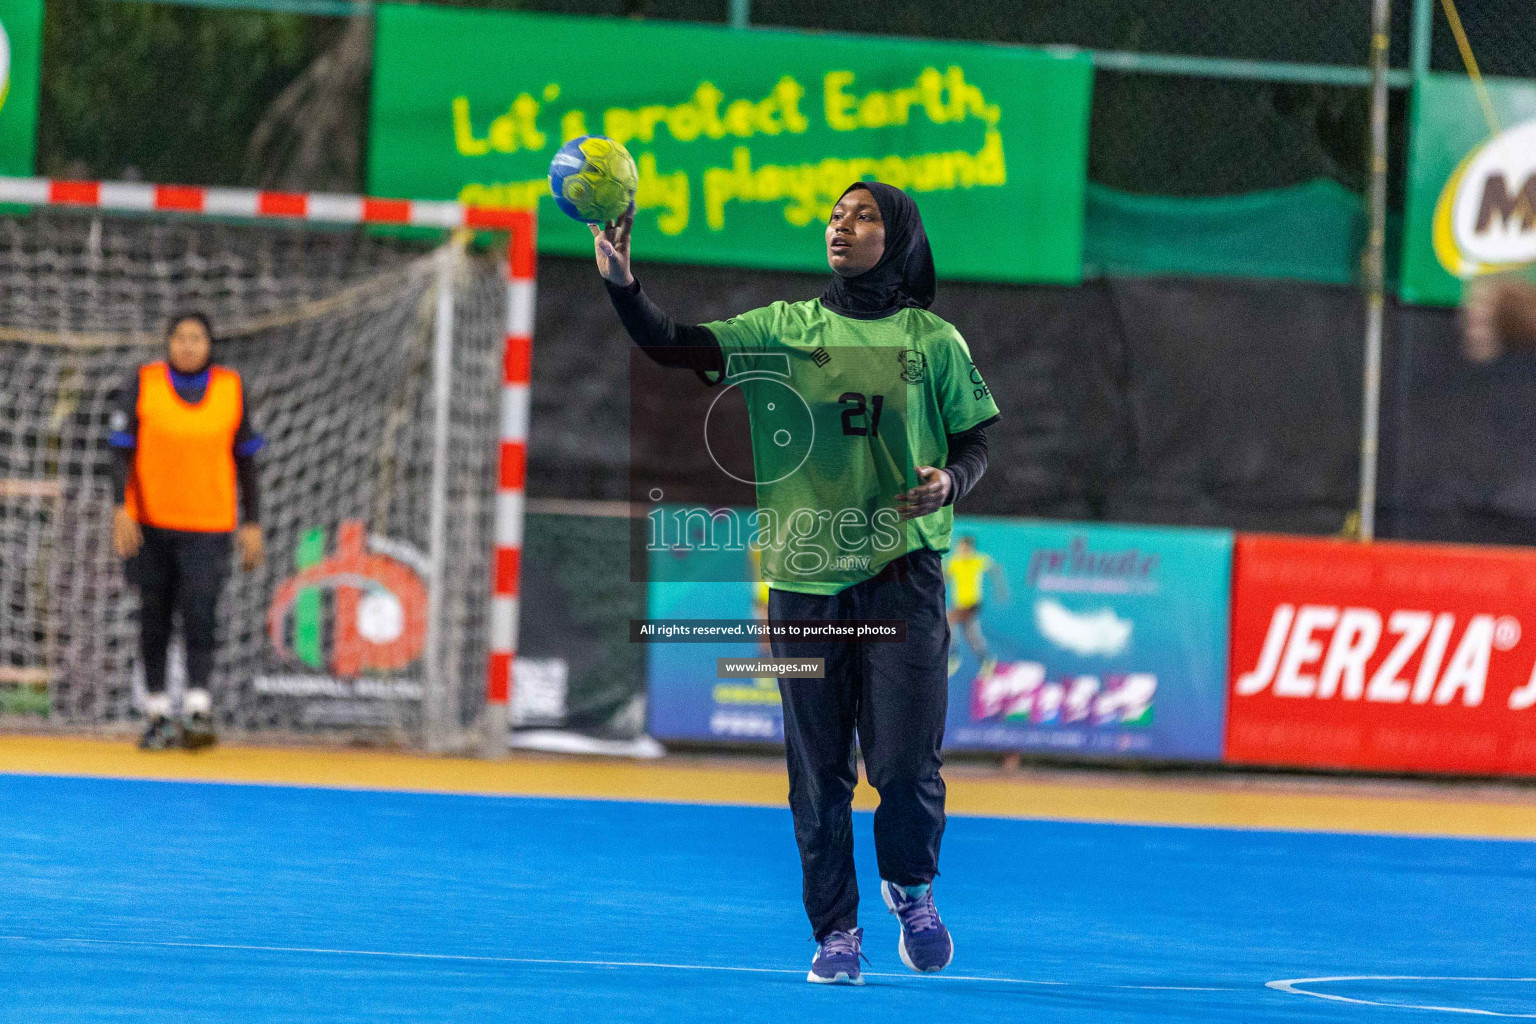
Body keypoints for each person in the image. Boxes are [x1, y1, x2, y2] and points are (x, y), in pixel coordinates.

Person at [595, 181, 1000, 985]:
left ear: (900, 236)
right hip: (805, 577)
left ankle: (911, 889)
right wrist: (622, 284)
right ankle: (837, 932)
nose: (841, 226)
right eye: (835, 215)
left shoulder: (934, 340)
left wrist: (951, 481)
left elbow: (978, 437)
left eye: (864, 215)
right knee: (818, 770)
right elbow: (675, 346)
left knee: (905, 763)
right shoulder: (784, 329)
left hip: (904, 572)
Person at [109, 313, 265, 751]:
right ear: (168, 342)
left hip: (209, 526)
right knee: (153, 618)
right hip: (150, 525)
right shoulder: (144, 383)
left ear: (210, 345)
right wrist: (120, 507)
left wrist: (252, 522)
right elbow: (120, 452)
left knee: (200, 613)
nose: (188, 345)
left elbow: (247, 462)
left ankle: (198, 708)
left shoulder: (231, 389)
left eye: (197, 338)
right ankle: (156, 712)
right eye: (180, 337)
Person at [944, 533, 1008, 676]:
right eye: (958, 547)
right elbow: (946, 578)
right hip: (959, 604)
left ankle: (953, 657)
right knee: (971, 636)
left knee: (948, 619)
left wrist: (1001, 590)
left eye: (962, 547)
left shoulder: (979, 559)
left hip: (973, 604)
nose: (959, 550)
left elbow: (995, 569)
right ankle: (986, 662)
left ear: (969, 547)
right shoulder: (954, 561)